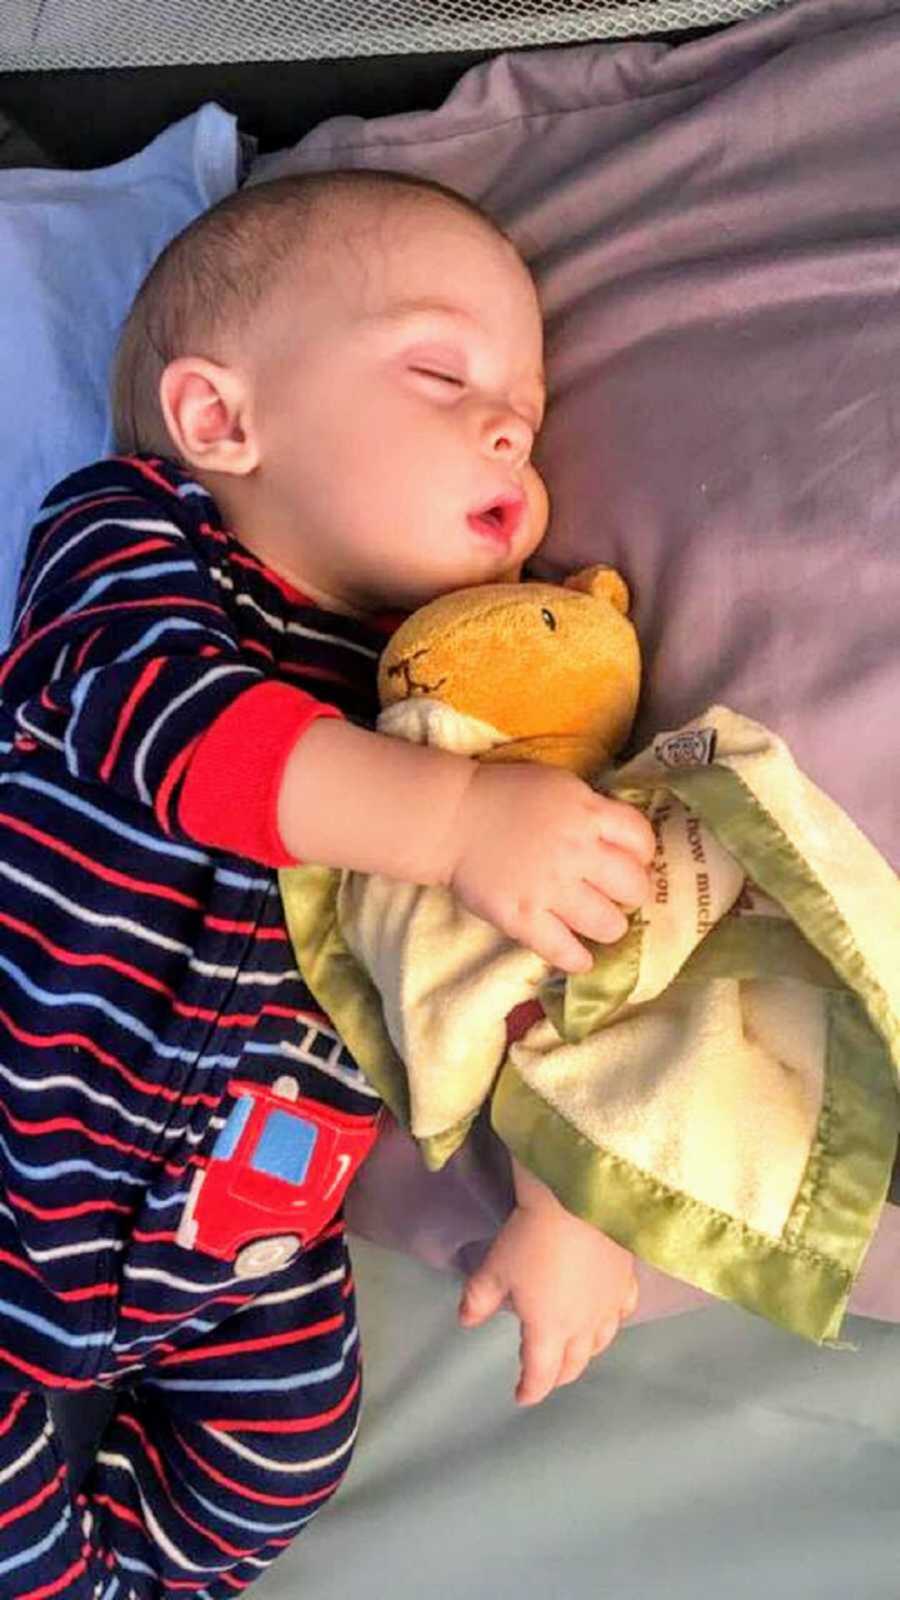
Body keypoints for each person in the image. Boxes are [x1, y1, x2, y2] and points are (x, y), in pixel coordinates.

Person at [0, 169, 654, 1599]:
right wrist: (458, 819)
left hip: (244, 1241)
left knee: (287, 1448)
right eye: (441, 372)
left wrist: (572, 1209)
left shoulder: (449, 703)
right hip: (14, 1162)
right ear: (219, 419)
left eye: (529, 422)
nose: (507, 428)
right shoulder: (135, 544)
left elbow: (518, 973)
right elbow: (162, 729)